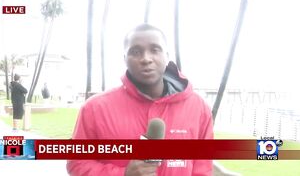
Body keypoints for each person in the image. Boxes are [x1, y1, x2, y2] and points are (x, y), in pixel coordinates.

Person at [67, 23, 214, 176]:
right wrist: (123, 174)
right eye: (136, 52)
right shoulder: (94, 109)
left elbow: (202, 169)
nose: (145, 58)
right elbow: (77, 164)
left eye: (155, 50)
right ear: (125, 59)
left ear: (167, 56)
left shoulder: (199, 109)